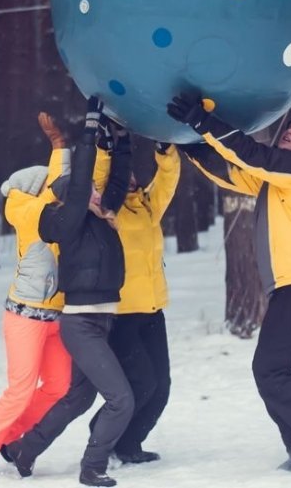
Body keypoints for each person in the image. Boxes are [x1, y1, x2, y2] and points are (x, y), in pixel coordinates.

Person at [166, 96, 291, 474]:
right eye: (289, 127)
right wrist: (189, 145)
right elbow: (231, 170)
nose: (290, 131)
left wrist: (204, 123)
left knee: (269, 369)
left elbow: (251, 155)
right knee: (270, 368)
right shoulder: (279, 180)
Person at [3, 98, 134, 488]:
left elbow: (116, 179)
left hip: (102, 318)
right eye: (86, 190)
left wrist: (122, 137)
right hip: (81, 323)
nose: (96, 193)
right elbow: (79, 189)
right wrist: (89, 129)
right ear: (67, 197)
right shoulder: (67, 220)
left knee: (79, 397)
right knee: (121, 400)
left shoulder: (100, 215)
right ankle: (92, 467)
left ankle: (25, 450)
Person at [0, 113, 73, 482]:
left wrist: (60, 148)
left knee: (59, 387)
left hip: (56, 315)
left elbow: (57, 185)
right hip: (24, 317)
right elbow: (55, 190)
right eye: (46, 186)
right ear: (33, 190)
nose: (52, 190)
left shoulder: (48, 209)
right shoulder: (24, 209)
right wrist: (61, 156)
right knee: (20, 390)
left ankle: (10, 439)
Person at [87, 138, 180, 464]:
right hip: (121, 313)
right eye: (120, 174)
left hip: (153, 309)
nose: (128, 179)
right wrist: (104, 149)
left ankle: (128, 445)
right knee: (141, 383)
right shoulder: (106, 210)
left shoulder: (148, 204)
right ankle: (101, 432)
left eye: (129, 174)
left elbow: (167, 180)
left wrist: (165, 150)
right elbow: (97, 178)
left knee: (161, 388)